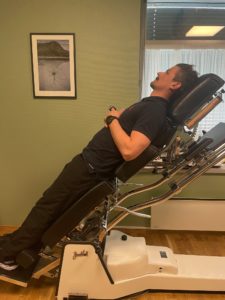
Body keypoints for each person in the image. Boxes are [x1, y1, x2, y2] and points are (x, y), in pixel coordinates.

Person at [0, 64, 198, 271]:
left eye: (167, 73)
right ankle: (16, 246)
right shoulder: (151, 106)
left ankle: (8, 256)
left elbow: (130, 150)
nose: (159, 72)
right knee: (50, 208)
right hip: (89, 165)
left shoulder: (154, 110)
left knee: (47, 208)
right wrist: (116, 119)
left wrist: (112, 120)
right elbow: (125, 129)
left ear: (175, 84)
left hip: (91, 169)